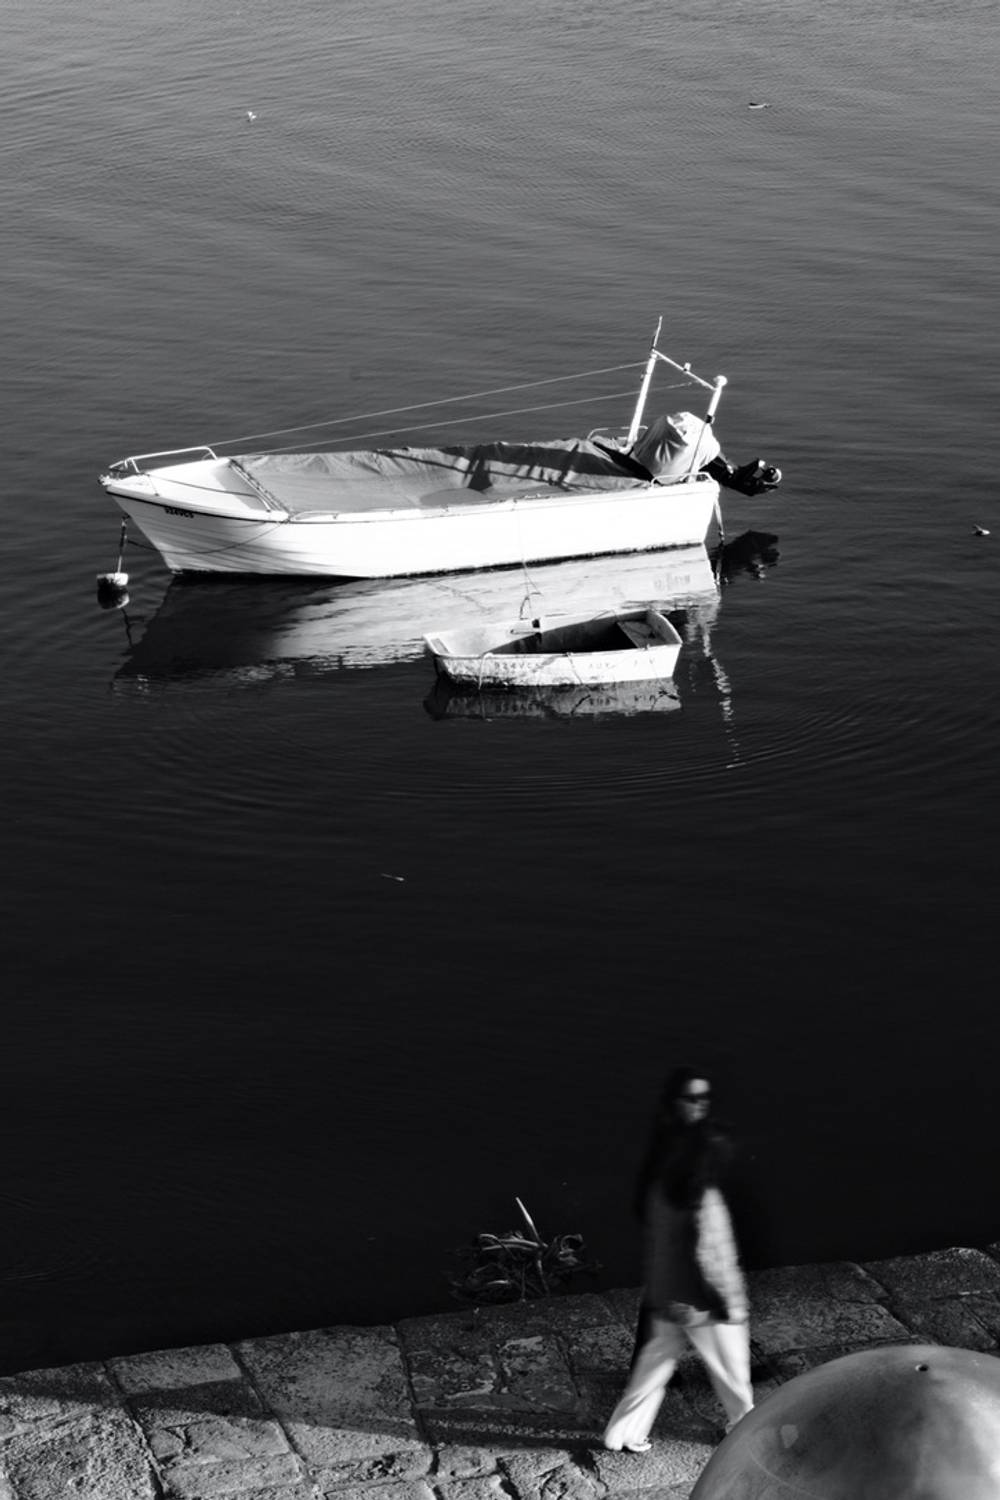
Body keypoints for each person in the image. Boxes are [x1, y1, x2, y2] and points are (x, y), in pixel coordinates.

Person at [603, 1066, 754, 1452]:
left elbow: (660, 1240)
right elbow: (710, 1258)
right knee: (734, 1377)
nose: (701, 1105)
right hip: (703, 1303)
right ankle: (745, 1435)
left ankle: (623, 1433)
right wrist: (727, 1304)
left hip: (667, 1295)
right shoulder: (701, 1197)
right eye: (693, 1098)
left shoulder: (660, 1180)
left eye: (705, 1098)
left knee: (652, 1369)